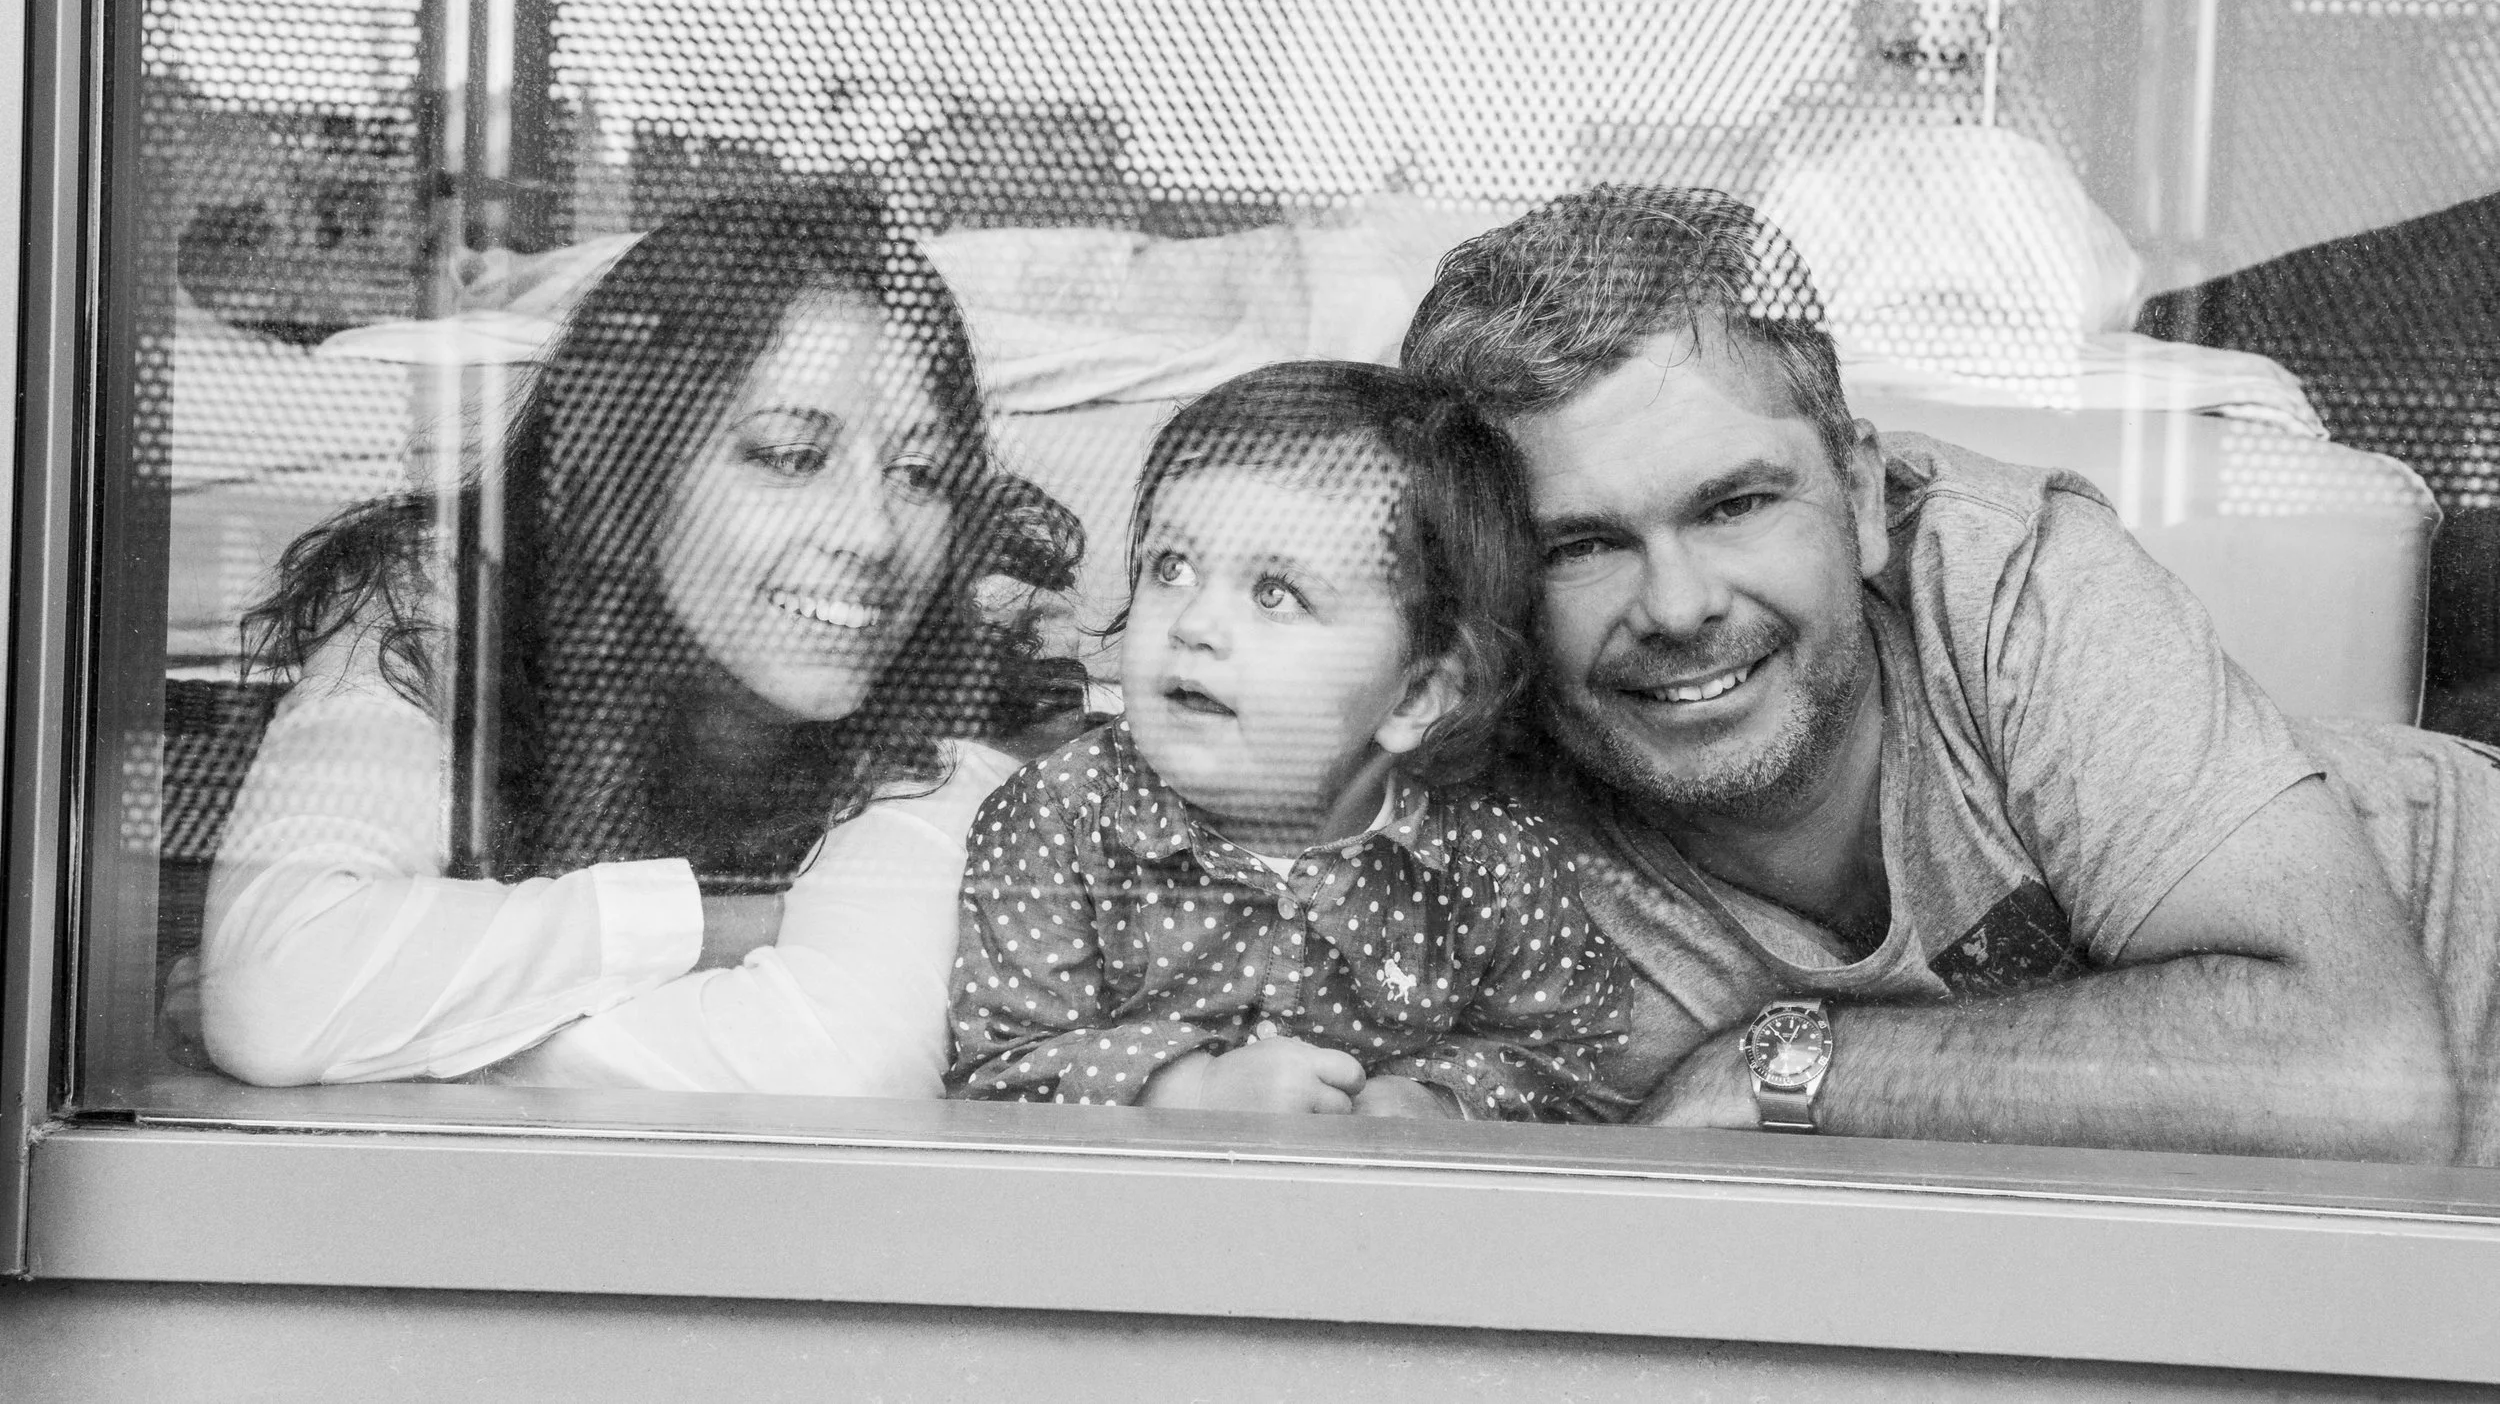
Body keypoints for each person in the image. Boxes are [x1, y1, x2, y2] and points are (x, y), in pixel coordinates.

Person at [1401, 183, 2500, 1161]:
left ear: (1863, 497)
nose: (1679, 606)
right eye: (1579, 546)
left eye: (1736, 505)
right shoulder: (1475, 828)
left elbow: (2364, 1080)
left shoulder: (2005, 575)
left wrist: (1781, 1066)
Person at [198, 185, 1084, 1096]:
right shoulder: (445, 601)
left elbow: (836, 1067)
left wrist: (409, 1041)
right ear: (627, 470)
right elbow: (278, 989)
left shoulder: (958, 713)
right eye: (791, 457)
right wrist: (718, 924)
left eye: (921, 473)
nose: (872, 534)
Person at [948, 361, 1631, 1120]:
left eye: (1275, 594)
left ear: (1414, 697)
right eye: (1172, 568)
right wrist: (1187, 1092)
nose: (1194, 624)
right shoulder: (1057, 817)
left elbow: (1565, 1053)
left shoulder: (1493, 866)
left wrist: (1441, 1102)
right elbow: (997, 1071)